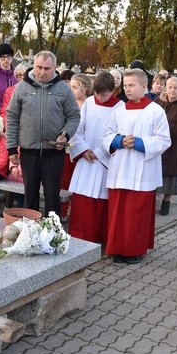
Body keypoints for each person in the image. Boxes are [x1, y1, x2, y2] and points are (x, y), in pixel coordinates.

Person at [101, 68, 171, 264]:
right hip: (121, 168)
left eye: (131, 85)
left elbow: (164, 140)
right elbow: (105, 136)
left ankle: (134, 250)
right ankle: (116, 248)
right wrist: (119, 141)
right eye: (125, 86)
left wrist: (139, 143)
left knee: (135, 214)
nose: (128, 89)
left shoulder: (155, 110)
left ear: (143, 86)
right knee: (118, 212)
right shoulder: (119, 110)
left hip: (142, 170)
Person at [6, 51, 81, 218]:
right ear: (34, 65)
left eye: (47, 68)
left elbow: (74, 115)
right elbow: (11, 116)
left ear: (55, 68)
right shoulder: (21, 88)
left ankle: (52, 234)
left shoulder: (63, 89)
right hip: (28, 151)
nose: (42, 72)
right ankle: (30, 232)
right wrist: (11, 148)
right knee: (30, 195)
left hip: (54, 152)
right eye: (39, 67)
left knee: (52, 196)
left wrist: (66, 134)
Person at [68, 72, 123, 243]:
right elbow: (78, 128)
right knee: (82, 200)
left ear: (113, 90)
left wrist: (99, 153)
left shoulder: (120, 107)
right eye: (97, 93)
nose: (100, 97)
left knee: (101, 200)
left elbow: (117, 135)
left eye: (104, 94)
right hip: (86, 159)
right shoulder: (89, 103)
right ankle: (79, 236)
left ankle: (99, 238)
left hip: (104, 161)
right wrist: (83, 150)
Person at [155, 77, 177, 216]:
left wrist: (165, 128)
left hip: (173, 145)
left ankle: (166, 201)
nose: (172, 90)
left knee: (170, 176)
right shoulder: (159, 101)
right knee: (156, 172)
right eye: (170, 87)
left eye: (175, 88)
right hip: (158, 144)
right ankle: (153, 198)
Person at [61, 73, 93, 217]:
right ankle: (62, 212)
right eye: (70, 87)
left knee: (79, 181)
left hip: (82, 150)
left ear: (84, 88)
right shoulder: (68, 103)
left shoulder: (90, 105)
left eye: (74, 87)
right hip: (67, 149)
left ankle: (76, 211)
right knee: (65, 182)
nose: (71, 90)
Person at [0, 63, 28, 128]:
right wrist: (8, 124)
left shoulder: (35, 90)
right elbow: (4, 111)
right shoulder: (10, 91)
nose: (22, 77)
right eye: (19, 75)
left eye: (25, 74)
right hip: (13, 126)